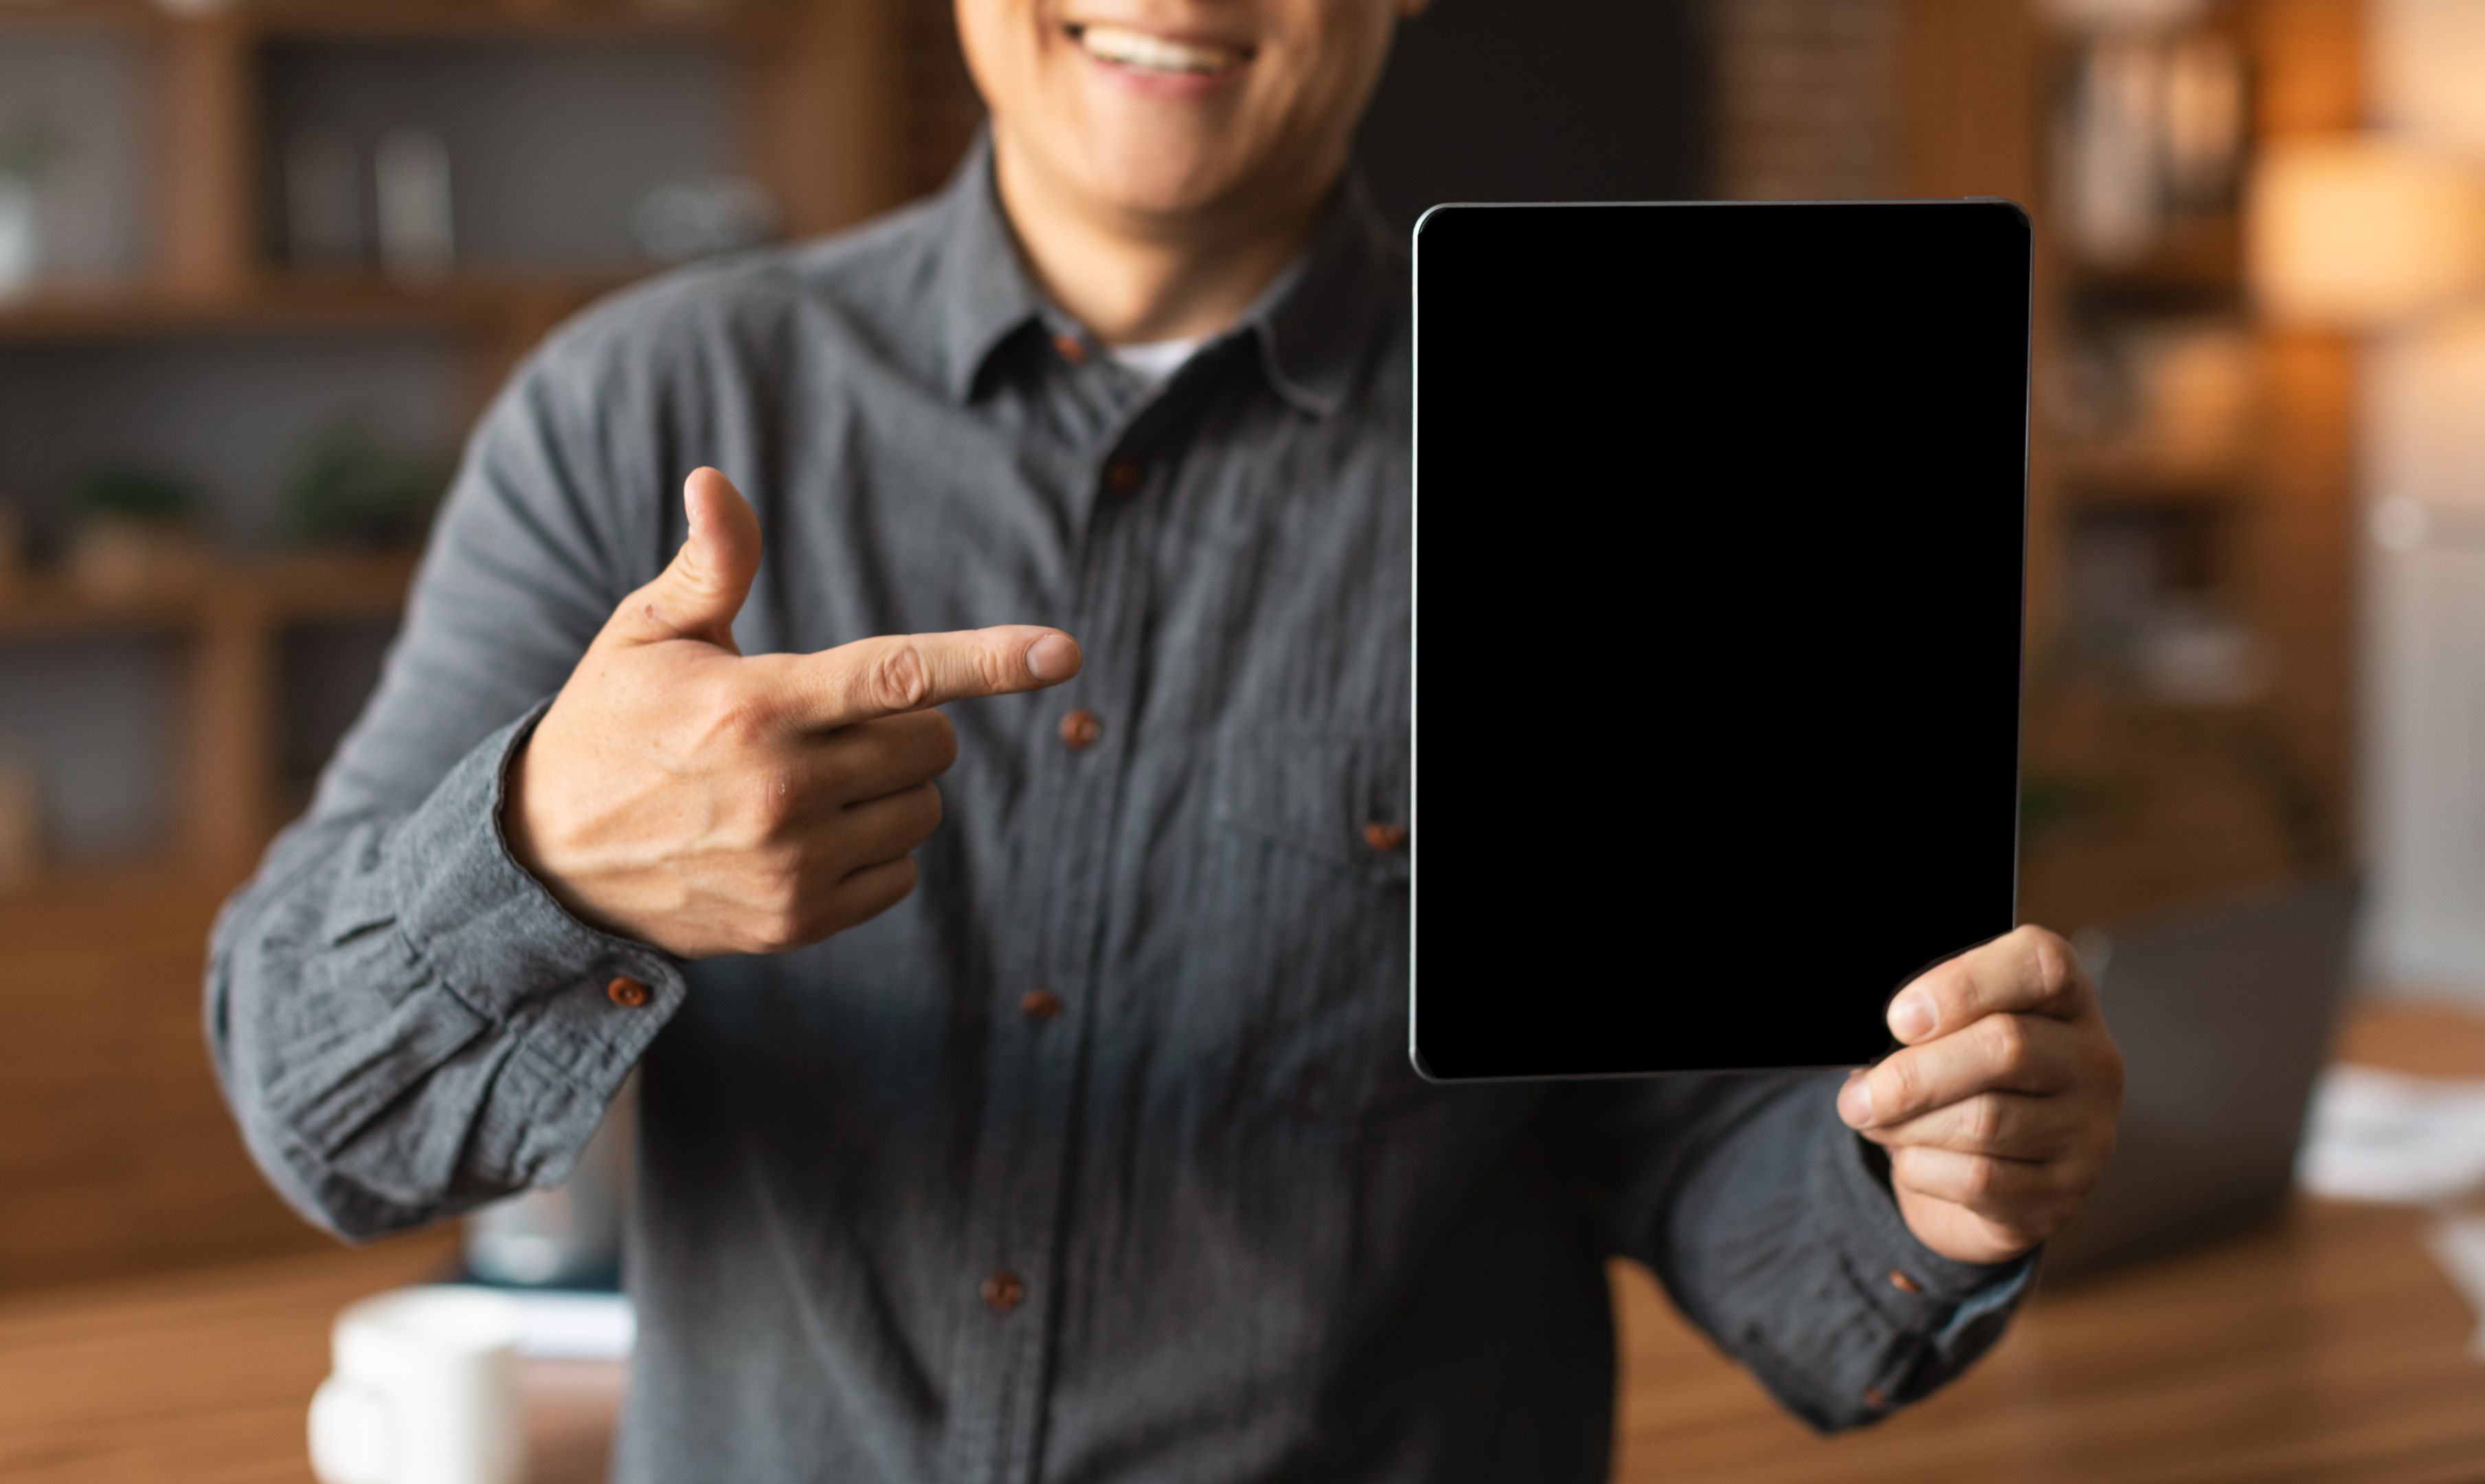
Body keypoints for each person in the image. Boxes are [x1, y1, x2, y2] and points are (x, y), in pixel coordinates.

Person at [206, 1, 2124, 1479]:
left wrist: (1925, 1187)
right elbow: (319, 1110)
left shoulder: (1644, 462)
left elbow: (1708, 1150)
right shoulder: (643, 406)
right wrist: (540, 848)